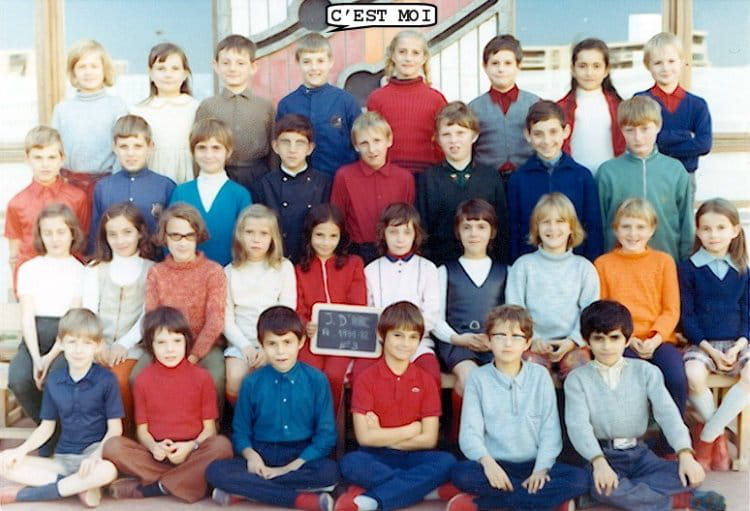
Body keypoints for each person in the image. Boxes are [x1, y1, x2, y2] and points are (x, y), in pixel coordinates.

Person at [565, 300, 726, 511]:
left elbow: (668, 415)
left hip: (639, 454)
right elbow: (578, 427)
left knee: (690, 475)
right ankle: (678, 501)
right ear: (587, 341)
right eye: (598, 338)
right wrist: (599, 462)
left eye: (614, 338)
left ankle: (613, 495)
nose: (606, 346)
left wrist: (685, 454)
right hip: (603, 454)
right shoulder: (577, 379)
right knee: (601, 485)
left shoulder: (646, 372)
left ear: (627, 340)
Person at [448, 305, 589, 511]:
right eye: (500, 336)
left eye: (516, 336)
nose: (508, 343)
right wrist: (488, 464)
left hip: (534, 464)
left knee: (580, 479)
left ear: (527, 343)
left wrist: (541, 469)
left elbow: (550, 431)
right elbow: (470, 434)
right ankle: (539, 501)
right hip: (495, 464)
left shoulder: (540, 376)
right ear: (488, 340)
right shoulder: (478, 378)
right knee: (461, 474)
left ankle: (486, 504)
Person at [206, 306, 339, 510]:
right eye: (272, 344)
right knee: (216, 471)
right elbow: (241, 432)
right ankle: (300, 500)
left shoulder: (316, 380)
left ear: (301, 342)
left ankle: (247, 492)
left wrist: (291, 467)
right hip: (262, 452)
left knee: (330, 472)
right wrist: (251, 456)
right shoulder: (252, 382)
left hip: (301, 454)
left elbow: (326, 436)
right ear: (261, 345)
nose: (280, 351)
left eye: (287, 342)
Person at [102, 307, 233, 502]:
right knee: (113, 447)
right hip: (157, 456)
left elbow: (209, 430)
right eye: (161, 342)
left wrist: (191, 446)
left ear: (186, 342)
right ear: (151, 345)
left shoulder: (202, 378)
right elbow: (142, 431)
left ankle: (155, 488)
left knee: (222, 446)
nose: (170, 349)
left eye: (176, 341)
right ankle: (188, 482)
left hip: (192, 452)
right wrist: (154, 446)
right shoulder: (143, 379)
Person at [337, 301, 456, 511]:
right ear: (382, 335)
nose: (405, 344)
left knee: (447, 461)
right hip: (375, 456)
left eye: (412, 337)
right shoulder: (366, 379)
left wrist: (381, 435)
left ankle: (375, 498)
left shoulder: (425, 380)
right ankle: (420, 488)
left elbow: (429, 439)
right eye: (398, 335)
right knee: (351, 462)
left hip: (414, 455)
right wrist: (411, 430)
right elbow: (365, 438)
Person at [0, 309, 122, 507]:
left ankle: (24, 495)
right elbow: (46, 427)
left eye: (86, 343)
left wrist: (95, 456)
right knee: (4, 461)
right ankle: (79, 486)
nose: (78, 350)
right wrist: (21, 451)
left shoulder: (107, 380)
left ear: (98, 346)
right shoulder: (55, 380)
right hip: (62, 459)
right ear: (61, 343)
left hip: (94, 458)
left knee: (108, 471)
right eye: (72, 342)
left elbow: (115, 429)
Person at [594, 198, 686, 415]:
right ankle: (633, 432)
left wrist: (655, 338)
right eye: (626, 226)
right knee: (631, 379)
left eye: (640, 227)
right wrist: (629, 337)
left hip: (659, 339)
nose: (633, 233)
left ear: (652, 230)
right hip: (621, 340)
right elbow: (603, 311)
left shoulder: (663, 262)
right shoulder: (603, 264)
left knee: (676, 377)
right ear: (616, 229)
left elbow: (671, 309)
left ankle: (672, 433)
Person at [131, 203, 227, 406]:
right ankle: (142, 424)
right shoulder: (157, 272)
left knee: (214, 378)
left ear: (197, 237)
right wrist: (165, 349)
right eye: (175, 236)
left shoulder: (213, 271)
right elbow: (152, 317)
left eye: (189, 236)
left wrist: (192, 357)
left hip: (204, 347)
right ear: (164, 237)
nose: (182, 243)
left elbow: (215, 320)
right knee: (137, 377)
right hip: (164, 344)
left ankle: (211, 424)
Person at [680, 198, 749, 471]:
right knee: (693, 375)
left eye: (721, 228)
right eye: (706, 228)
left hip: (738, 343)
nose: (714, 235)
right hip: (703, 344)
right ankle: (720, 438)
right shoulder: (688, 268)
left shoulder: (743, 269)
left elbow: (748, 313)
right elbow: (687, 316)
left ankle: (708, 435)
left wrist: (738, 347)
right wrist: (710, 350)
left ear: (735, 230)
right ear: (697, 231)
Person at [506, 193, 599, 381]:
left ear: (571, 227)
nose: (553, 228)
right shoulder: (523, 266)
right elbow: (515, 310)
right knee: (530, 373)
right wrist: (532, 339)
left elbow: (590, 312)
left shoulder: (584, 268)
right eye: (546, 222)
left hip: (572, 344)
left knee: (582, 372)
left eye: (560, 222)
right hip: (533, 344)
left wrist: (573, 340)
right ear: (536, 228)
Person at [8, 204, 86, 425]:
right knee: (19, 379)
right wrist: (36, 358)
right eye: (48, 233)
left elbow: (73, 318)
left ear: (72, 233)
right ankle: (49, 430)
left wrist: (49, 357)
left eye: (61, 232)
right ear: (40, 235)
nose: (55, 239)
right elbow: (27, 315)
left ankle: (56, 433)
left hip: (65, 338)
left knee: (55, 380)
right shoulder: (29, 268)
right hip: (34, 336)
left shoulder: (81, 271)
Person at [84, 203, 156, 436]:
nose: (120, 240)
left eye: (127, 232)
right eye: (112, 234)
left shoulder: (152, 270)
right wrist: (98, 343)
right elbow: (89, 311)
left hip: (133, 345)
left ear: (140, 233)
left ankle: (125, 436)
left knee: (119, 380)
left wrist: (123, 344)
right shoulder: (95, 268)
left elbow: (147, 313)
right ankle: (90, 435)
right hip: (97, 343)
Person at [596, 95, 693, 261]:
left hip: (667, 262)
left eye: (644, 129)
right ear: (621, 130)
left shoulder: (675, 170)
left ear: (658, 126)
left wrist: (686, 262)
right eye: (630, 130)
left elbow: (686, 223)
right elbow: (599, 224)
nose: (638, 137)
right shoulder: (607, 172)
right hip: (619, 266)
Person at [416, 101, 510, 266]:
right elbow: (422, 230)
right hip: (441, 265)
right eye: (446, 134)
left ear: (474, 135)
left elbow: (502, 228)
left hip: (484, 265)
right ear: (437, 139)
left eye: (460, 133)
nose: (454, 140)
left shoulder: (491, 178)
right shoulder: (427, 180)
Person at [508, 100, 603, 261]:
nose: (546, 141)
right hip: (532, 266)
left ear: (566, 131)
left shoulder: (582, 176)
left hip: (574, 264)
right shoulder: (518, 179)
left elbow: (593, 228)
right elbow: (513, 230)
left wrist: (591, 264)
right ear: (528, 135)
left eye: (553, 132)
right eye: (538, 134)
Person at [295, 204, 367, 416]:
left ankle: (328, 422)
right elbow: (298, 306)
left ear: (341, 236)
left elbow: (358, 304)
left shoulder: (353, 264)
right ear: (309, 234)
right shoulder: (300, 268)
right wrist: (305, 324)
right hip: (312, 337)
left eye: (333, 236)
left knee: (334, 375)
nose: (326, 242)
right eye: (319, 235)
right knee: (309, 373)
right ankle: (307, 422)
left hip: (343, 339)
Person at [223, 204, 296, 404]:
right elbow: (227, 320)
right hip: (242, 342)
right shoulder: (229, 272)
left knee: (275, 381)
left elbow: (287, 312)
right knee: (236, 378)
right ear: (240, 235)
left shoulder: (283, 267)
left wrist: (268, 346)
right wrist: (246, 347)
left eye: (263, 234)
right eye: (249, 233)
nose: (256, 239)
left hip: (276, 340)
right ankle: (242, 417)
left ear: (273, 238)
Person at [433, 199, 507, 397]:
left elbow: (511, 317)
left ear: (492, 232)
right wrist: (457, 338)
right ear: (458, 232)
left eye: (481, 227)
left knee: (501, 379)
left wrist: (494, 339)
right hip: (457, 343)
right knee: (470, 378)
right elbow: (436, 319)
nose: (474, 233)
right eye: (467, 227)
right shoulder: (444, 271)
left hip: (494, 344)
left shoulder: (505, 271)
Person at [362, 203, 441, 387]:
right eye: (393, 232)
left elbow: (432, 313)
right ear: (383, 234)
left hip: (417, 343)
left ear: (416, 235)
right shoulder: (371, 270)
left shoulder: (427, 268)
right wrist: (388, 337)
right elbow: (368, 312)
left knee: (431, 375)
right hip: (381, 342)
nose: (400, 239)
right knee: (362, 373)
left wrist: (408, 337)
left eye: (407, 233)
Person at [5, 126, 88, 290]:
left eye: (51, 157)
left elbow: (82, 243)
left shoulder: (78, 198)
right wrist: (19, 290)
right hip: (32, 284)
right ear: (27, 159)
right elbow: (15, 254)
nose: (45, 164)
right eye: (38, 157)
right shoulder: (17, 203)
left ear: (62, 159)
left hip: (68, 280)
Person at [331, 111, 415, 263]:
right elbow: (338, 218)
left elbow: (409, 220)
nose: (372, 149)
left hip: (394, 252)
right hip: (356, 253)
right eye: (364, 143)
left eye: (377, 141)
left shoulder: (404, 178)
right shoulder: (344, 176)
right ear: (356, 146)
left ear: (389, 140)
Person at [636, 32, 712, 196]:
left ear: (682, 62)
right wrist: (684, 136)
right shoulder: (641, 101)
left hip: (685, 176)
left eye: (671, 61)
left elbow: (704, 144)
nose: (665, 68)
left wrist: (661, 141)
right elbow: (641, 140)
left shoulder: (697, 105)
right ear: (647, 65)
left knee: (683, 213)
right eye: (658, 63)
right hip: (650, 175)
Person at [195, 34, 274, 191]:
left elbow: (274, 150)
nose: (233, 69)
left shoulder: (264, 106)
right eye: (226, 63)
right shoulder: (208, 106)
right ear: (216, 66)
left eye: (240, 63)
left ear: (253, 67)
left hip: (258, 177)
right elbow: (198, 145)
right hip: (218, 176)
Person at [170, 117, 252, 266]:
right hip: (187, 273)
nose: (208, 155)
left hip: (229, 273)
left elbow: (247, 241)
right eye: (202, 148)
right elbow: (169, 237)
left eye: (216, 148)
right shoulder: (181, 192)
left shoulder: (240, 195)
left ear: (228, 151)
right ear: (192, 151)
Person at [52, 39, 127, 198]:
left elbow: (124, 147)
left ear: (104, 70)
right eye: (82, 67)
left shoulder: (116, 106)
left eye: (94, 66)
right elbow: (54, 149)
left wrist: (114, 182)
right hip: (69, 184)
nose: (88, 72)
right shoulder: (62, 109)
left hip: (106, 183)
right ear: (73, 72)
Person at [276, 32, 360, 176]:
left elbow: (359, 143)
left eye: (320, 61)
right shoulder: (287, 105)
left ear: (330, 62)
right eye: (307, 62)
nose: (314, 68)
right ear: (298, 63)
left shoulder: (346, 101)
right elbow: (281, 147)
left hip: (338, 180)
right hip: (300, 182)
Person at [252, 114, 332, 261]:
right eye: (286, 142)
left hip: (311, 260)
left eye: (300, 143)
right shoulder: (264, 184)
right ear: (275, 146)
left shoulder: (324, 183)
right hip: (275, 259)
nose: (292, 149)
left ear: (310, 148)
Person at [366, 30, 447, 173]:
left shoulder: (436, 99)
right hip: (389, 174)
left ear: (424, 58)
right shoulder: (377, 98)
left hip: (428, 174)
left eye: (415, 53)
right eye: (402, 52)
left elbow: (444, 139)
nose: (408, 58)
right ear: (392, 55)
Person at [89, 114, 176, 249]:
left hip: (155, 260)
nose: (130, 153)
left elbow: (172, 234)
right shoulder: (103, 188)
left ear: (150, 146)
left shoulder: (166, 186)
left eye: (138, 146)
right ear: (114, 147)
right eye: (124, 146)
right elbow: (96, 236)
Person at [468, 34, 539, 184]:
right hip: (487, 179)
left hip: (528, 177)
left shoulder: (534, 103)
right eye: (495, 63)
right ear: (485, 67)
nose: (501, 69)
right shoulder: (473, 108)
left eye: (508, 63)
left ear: (518, 66)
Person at [131, 42, 200, 184]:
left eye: (175, 69)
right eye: (161, 68)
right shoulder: (138, 111)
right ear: (150, 73)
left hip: (186, 178)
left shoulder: (196, 108)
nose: (168, 74)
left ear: (185, 74)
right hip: (151, 179)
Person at [557, 38, 625, 175]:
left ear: (606, 70)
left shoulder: (619, 106)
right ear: (573, 69)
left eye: (596, 66)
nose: (589, 73)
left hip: (611, 178)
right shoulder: (560, 108)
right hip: (575, 179)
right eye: (582, 66)